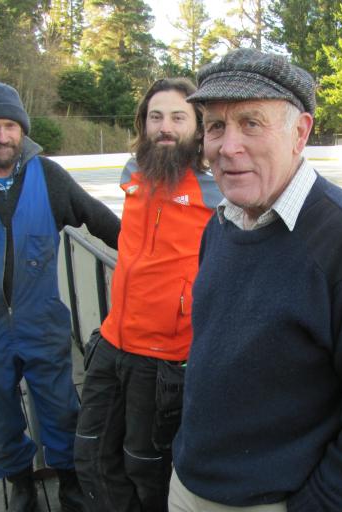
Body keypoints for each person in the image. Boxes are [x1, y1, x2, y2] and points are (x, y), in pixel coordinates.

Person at [169, 49, 342, 512]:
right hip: (188, 483)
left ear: (300, 132)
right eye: (216, 126)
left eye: (251, 123)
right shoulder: (221, 224)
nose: (228, 147)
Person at [0, 82, 121, 512]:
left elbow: (102, 221)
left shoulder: (49, 178)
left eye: (10, 126)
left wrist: (156, 254)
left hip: (41, 323)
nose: (3, 136)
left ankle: (71, 481)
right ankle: (20, 483)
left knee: (62, 409)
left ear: (23, 130)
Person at [74, 78, 222, 512]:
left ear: (197, 127)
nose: (165, 127)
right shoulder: (133, 174)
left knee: (145, 467)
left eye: (179, 117)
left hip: (162, 360)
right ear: (143, 123)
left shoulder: (217, 193)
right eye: (156, 117)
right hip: (111, 341)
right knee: (91, 454)